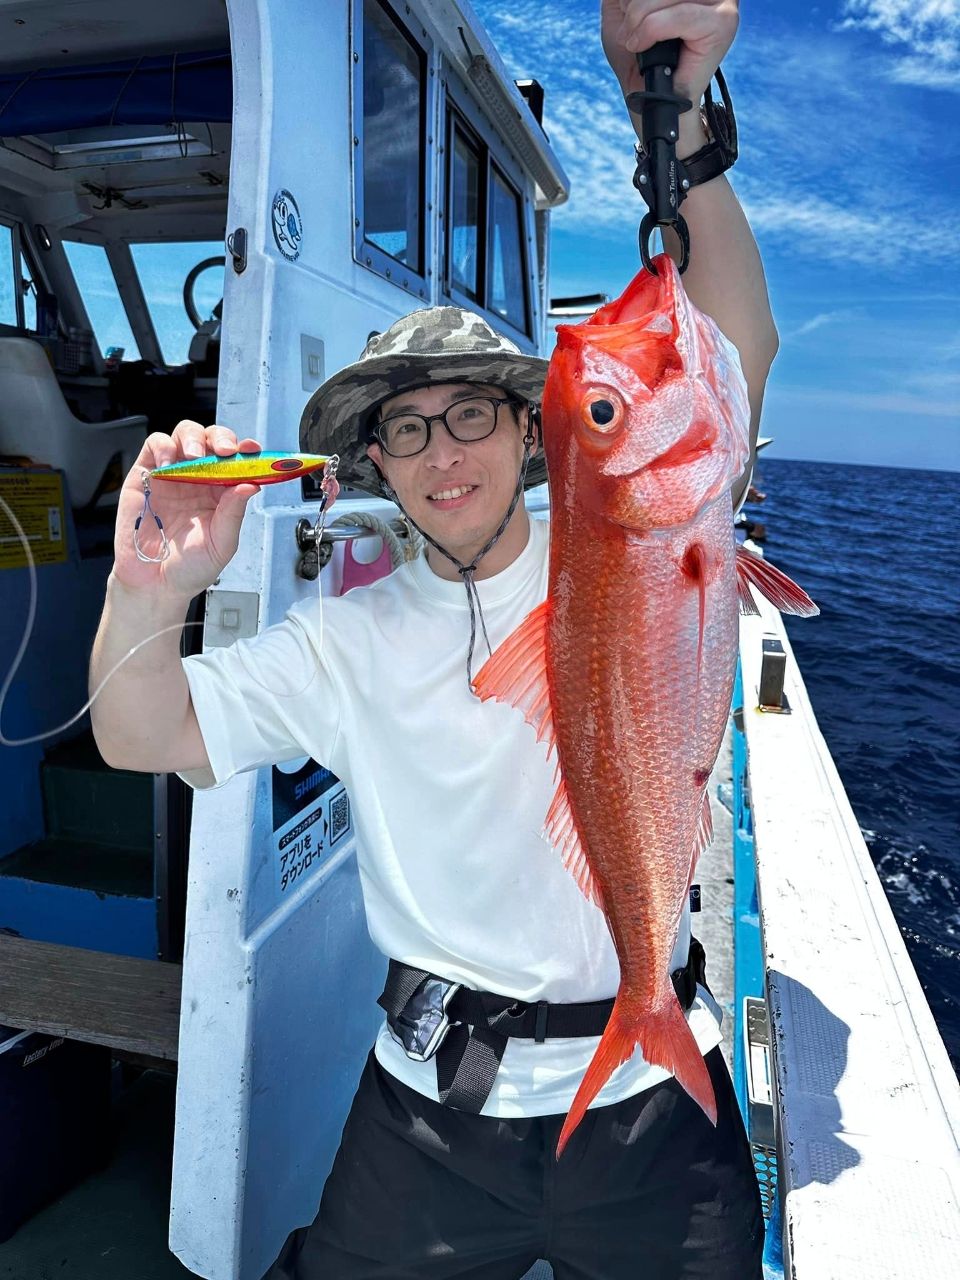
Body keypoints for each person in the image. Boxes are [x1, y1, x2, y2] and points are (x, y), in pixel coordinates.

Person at [90, 3, 774, 1275]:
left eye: (471, 414)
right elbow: (138, 737)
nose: (442, 449)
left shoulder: (628, 533)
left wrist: (679, 121)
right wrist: (148, 587)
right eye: (405, 430)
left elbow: (739, 341)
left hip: (648, 1110)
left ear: (530, 437)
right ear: (375, 466)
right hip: (428, 1115)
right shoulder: (345, 641)